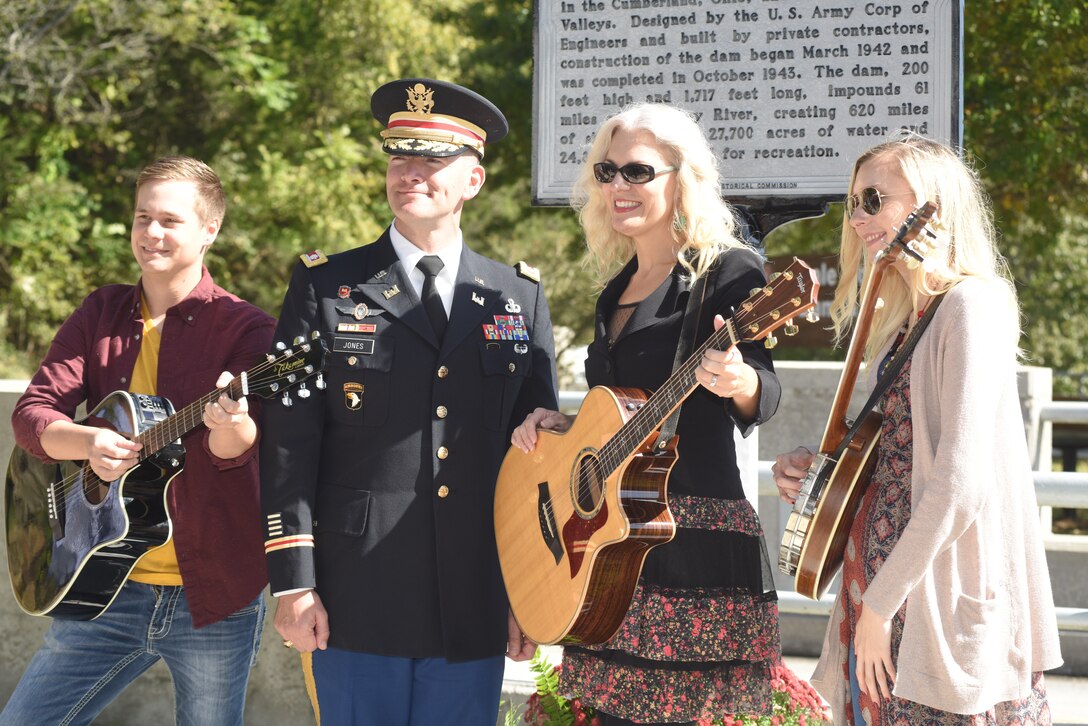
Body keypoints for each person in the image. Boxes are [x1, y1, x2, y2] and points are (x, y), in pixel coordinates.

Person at [260, 77, 559, 725]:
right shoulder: (325, 286)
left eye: (431, 159)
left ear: (473, 181)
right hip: (354, 596)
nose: (409, 173)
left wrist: (529, 594)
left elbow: (536, 469)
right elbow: (287, 442)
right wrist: (294, 581)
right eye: (399, 156)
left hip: (473, 598)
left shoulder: (518, 297)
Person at [771, 134, 1063, 723]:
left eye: (874, 198)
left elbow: (960, 484)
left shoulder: (969, 306)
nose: (857, 219)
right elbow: (903, 454)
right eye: (853, 203)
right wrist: (823, 473)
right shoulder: (907, 317)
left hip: (928, 601)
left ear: (932, 203)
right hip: (886, 591)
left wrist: (879, 607)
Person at [511, 103, 781, 725]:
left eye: (637, 172)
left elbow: (764, 391)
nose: (617, 188)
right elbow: (617, 412)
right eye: (607, 173)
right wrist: (564, 429)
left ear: (681, 178)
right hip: (609, 549)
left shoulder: (729, 272)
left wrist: (738, 380)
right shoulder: (617, 289)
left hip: (694, 546)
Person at [4, 156, 275, 725]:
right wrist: (87, 443)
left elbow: (240, 451)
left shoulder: (249, 330)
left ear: (210, 230)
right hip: (104, 580)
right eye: (142, 217)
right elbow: (32, 414)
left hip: (212, 595)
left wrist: (232, 427)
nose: (151, 233)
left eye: (170, 221)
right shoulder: (101, 311)